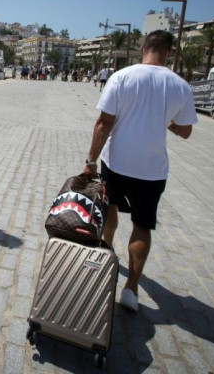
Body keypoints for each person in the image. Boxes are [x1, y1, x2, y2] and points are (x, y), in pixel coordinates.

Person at [82, 30, 198, 312]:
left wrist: (90, 161)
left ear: (143, 47)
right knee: (142, 226)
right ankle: (131, 290)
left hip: (117, 161)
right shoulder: (180, 85)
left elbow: (103, 123)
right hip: (153, 170)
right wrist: (166, 122)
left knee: (109, 210)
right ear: (169, 52)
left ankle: (106, 252)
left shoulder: (122, 77)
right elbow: (185, 131)